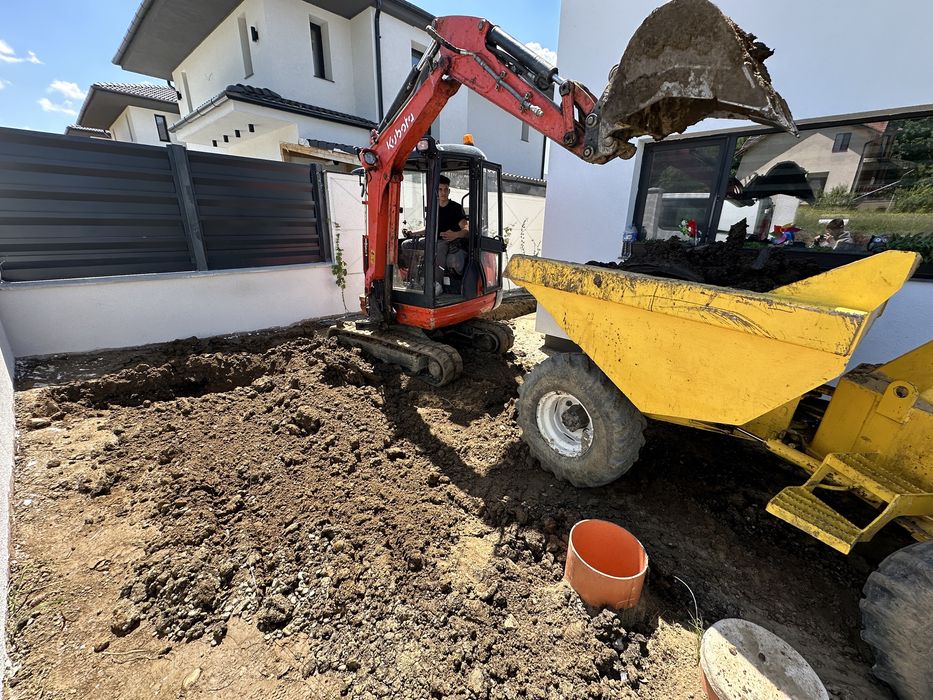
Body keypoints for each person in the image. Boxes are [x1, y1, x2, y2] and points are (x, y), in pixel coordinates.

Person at [399, 175, 468, 293]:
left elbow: (466, 228)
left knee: (440, 246)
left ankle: (437, 284)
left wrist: (456, 235)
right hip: (431, 239)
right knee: (406, 245)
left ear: (449, 191)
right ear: (437, 191)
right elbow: (428, 229)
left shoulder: (456, 208)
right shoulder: (433, 208)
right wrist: (412, 233)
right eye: (440, 189)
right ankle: (413, 279)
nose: (443, 192)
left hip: (448, 241)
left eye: (446, 189)